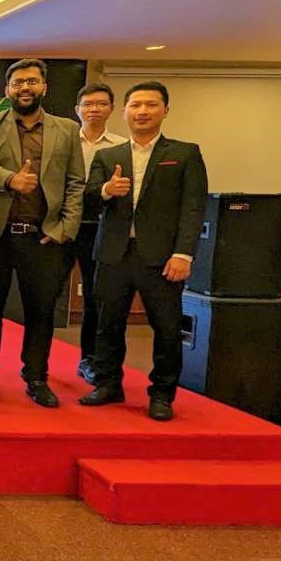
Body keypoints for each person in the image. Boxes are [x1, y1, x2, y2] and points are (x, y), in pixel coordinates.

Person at [81, 81, 208, 421]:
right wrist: (106, 190)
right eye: (135, 105)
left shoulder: (184, 153)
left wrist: (184, 253)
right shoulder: (109, 156)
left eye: (151, 105)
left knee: (166, 328)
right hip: (113, 254)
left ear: (165, 110)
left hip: (162, 257)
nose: (142, 111)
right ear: (124, 112)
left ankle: (162, 394)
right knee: (107, 324)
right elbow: (88, 197)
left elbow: (194, 208)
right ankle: (107, 383)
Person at [0, 58, 85, 405]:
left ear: (44, 86)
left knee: (40, 311)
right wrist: (10, 180)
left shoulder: (66, 129)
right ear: (8, 90)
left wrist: (65, 229)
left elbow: (76, 181)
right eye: (18, 83)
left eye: (31, 81)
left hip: (43, 235)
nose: (25, 88)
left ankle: (36, 377)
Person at [68, 82, 127, 381]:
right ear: (77, 109)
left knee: (95, 296)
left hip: (99, 227)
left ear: (112, 109)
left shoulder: (121, 147)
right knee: (44, 295)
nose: (94, 109)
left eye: (101, 104)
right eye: (88, 104)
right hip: (63, 225)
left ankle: (89, 358)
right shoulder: (65, 143)